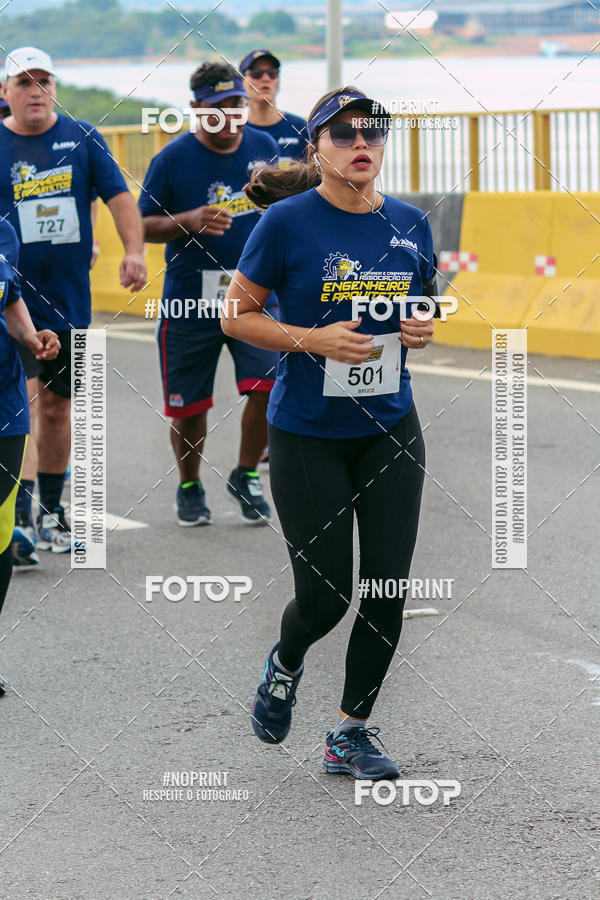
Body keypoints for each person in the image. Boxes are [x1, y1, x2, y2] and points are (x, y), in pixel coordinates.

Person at [222, 88, 437, 780]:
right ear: (316, 147)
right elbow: (236, 316)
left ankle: (352, 731)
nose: (361, 140)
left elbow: (420, 308)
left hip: (390, 429)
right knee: (326, 596)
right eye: (343, 132)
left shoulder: (408, 222)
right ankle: (284, 664)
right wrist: (310, 338)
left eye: (372, 129)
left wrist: (420, 329)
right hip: (308, 431)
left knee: (384, 590)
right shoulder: (286, 224)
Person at [0, 46, 147, 554]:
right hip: (6, 300)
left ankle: (52, 511)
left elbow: (119, 197)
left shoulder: (82, 138)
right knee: (16, 407)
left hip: (67, 300)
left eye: (44, 81)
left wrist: (133, 251)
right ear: (5, 92)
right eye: (24, 82)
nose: (36, 91)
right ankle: (15, 516)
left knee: (59, 408)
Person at [139, 62, 280, 526]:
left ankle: (244, 473)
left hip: (254, 298)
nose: (231, 116)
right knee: (190, 407)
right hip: (189, 302)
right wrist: (188, 221)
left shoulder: (264, 146)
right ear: (198, 109)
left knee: (268, 387)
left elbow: (285, 210)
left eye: (237, 104)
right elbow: (140, 224)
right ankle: (189, 483)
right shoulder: (172, 160)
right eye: (218, 108)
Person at [0, 218, 60, 694]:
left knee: (0, 529)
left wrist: (34, 337)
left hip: (5, 403)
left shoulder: (1, 246)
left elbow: (11, 303)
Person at [240, 49, 309, 168]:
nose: (266, 78)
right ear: (241, 82)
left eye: (272, 73)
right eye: (256, 73)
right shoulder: (235, 130)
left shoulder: (300, 128)